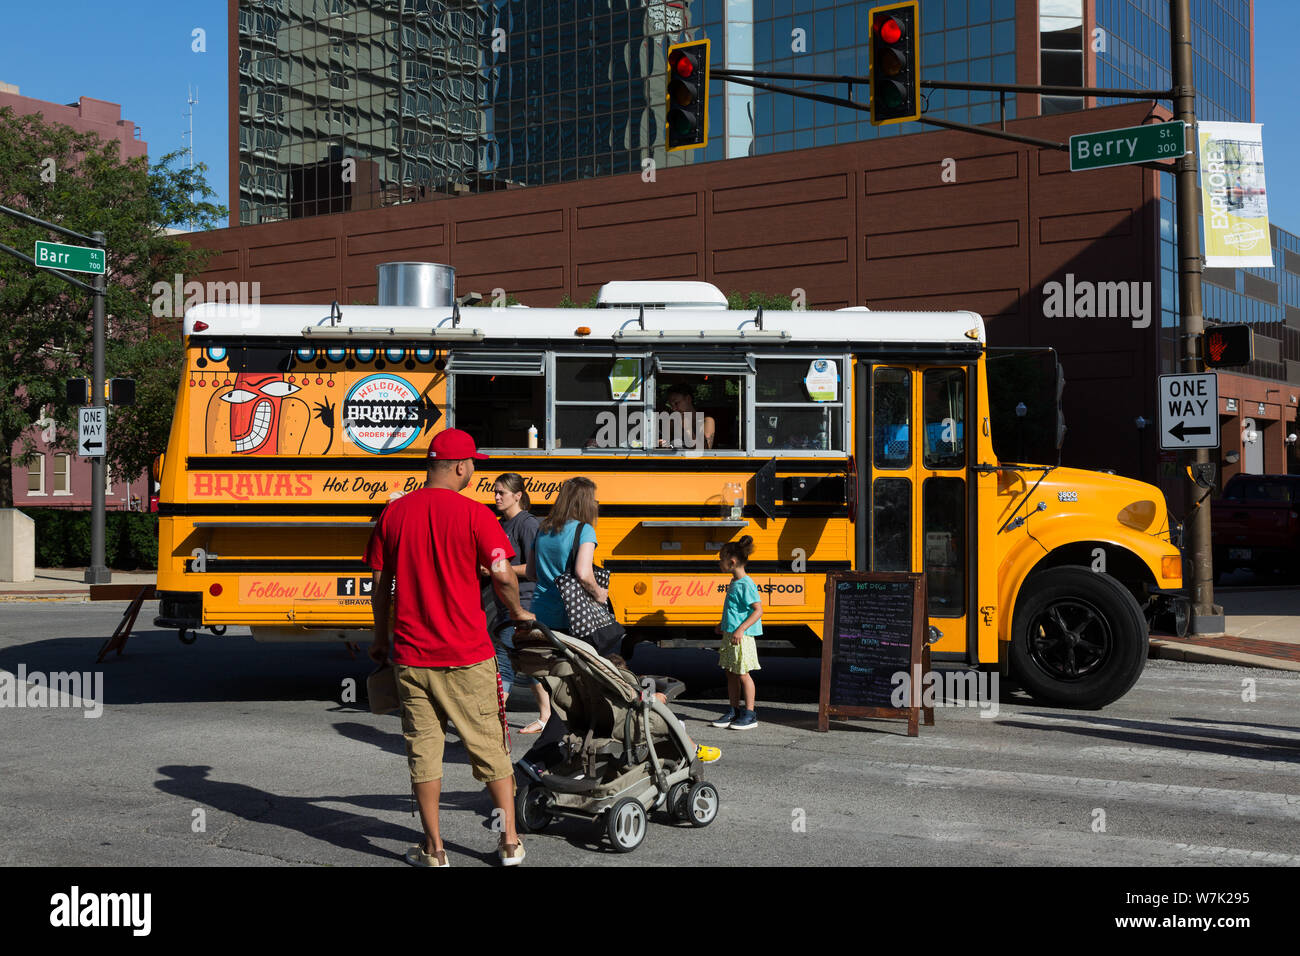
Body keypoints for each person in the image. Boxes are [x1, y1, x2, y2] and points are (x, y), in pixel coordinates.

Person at [366, 428, 536, 868]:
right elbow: (501, 572)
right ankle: (510, 842)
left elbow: (380, 586)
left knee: (424, 752)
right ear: (461, 466)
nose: (475, 470)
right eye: (473, 464)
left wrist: (380, 638)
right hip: (468, 654)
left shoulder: (394, 514)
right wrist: (517, 611)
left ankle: (435, 849)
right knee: (488, 747)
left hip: (410, 655)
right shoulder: (475, 515)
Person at [490, 473, 551, 735]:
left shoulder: (526, 524)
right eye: (495, 492)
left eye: (501, 492)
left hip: (525, 602)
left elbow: (535, 568)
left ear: (518, 495)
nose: (496, 497)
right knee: (528, 663)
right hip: (506, 603)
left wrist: (499, 570)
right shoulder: (501, 524)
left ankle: (494, 720)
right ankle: (546, 716)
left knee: (506, 661)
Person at [710, 535, 762, 730]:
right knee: (731, 673)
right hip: (731, 634)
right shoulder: (734, 581)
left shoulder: (746, 584)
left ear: (731, 562)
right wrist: (723, 624)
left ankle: (750, 713)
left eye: (720, 558)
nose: (718, 562)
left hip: (742, 637)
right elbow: (736, 610)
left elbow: (758, 610)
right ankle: (734, 710)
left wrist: (740, 629)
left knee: (743, 674)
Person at [663, 384, 716, 450]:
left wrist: (687, 428)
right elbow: (667, 445)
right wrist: (663, 443)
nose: (674, 408)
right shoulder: (672, 422)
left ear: (688, 399)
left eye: (676, 403)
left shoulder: (707, 421)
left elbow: (705, 451)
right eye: (671, 405)